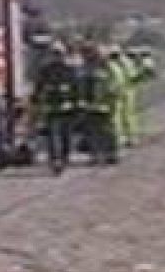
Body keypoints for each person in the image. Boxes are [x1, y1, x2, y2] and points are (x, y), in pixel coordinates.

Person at [32, 40, 80, 175]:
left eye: (59, 53)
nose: (57, 56)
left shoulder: (70, 70)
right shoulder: (46, 70)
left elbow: (77, 88)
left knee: (66, 136)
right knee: (53, 136)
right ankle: (55, 160)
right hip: (52, 108)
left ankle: (64, 158)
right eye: (55, 54)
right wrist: (35, 99)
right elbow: (39, 86)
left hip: (68, 108)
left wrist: (77, 104)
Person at [78, 44, 120, 166]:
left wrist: (111, 101)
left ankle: (111, 154)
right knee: (92, 132)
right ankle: (95, 156)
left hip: (104, 105)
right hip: (89, 106)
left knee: (107, 131)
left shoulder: (108, 68)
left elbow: (114, 86)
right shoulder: (85, 68)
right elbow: (81, 87)